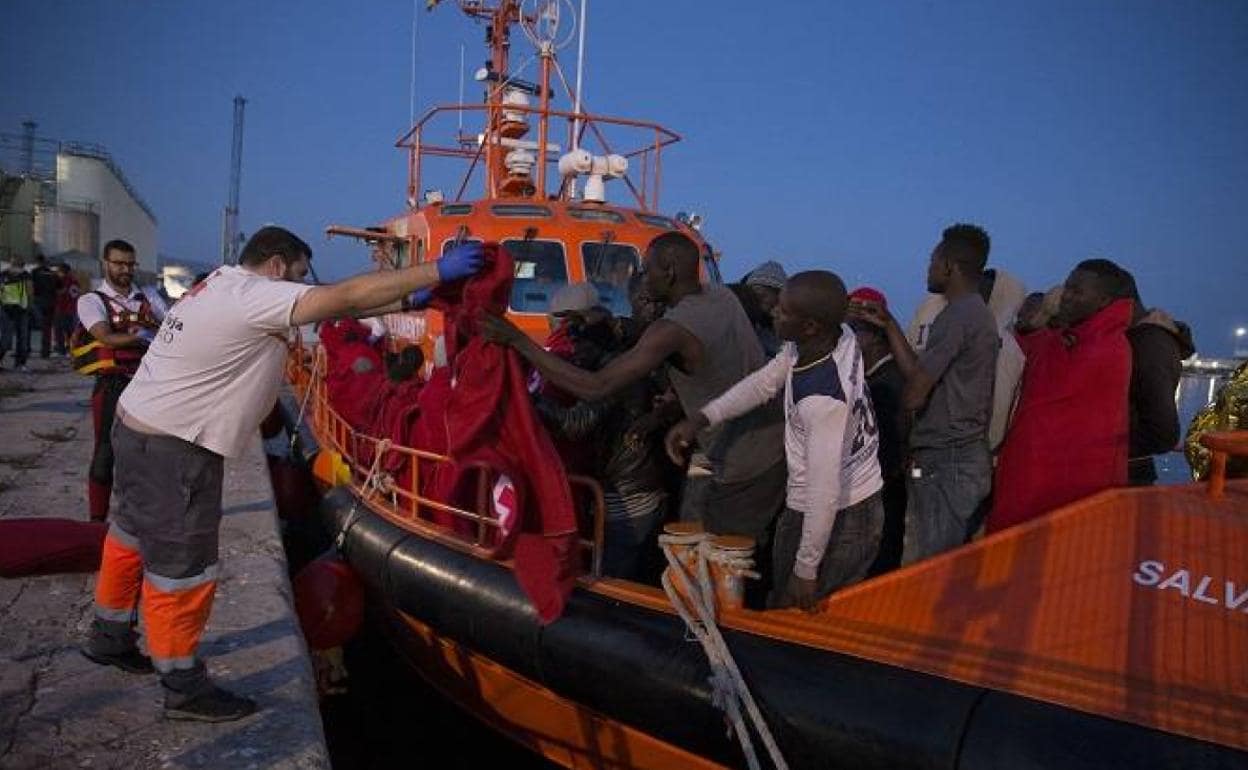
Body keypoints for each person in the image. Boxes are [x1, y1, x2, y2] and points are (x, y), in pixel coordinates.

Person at [83, 226, 483, 722]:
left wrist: (413, 297)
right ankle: (182, 683)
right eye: (296, 274)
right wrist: (437, 269)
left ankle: (109, 634)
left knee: (129, 535)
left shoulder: (223, 284)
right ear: (276, 265)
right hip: (177, 448)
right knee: (182, 567)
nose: (300, 285)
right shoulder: (255, 295)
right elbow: (345, 295)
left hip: (139, 427)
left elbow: (341, 307)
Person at [484, 232, 786, 548]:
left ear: (668, 271)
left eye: (647, 267)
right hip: (770, 445)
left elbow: (595, 387)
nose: (641, 274)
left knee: (720, 557)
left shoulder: (672, 329)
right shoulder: (720, 297)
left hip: (744, 465)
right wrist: (613, 325)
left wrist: (517, 340)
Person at [667, 271, 883, 610]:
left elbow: (824, 492)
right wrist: (703, 417)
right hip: (830, 503)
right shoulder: (838, 337)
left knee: (799, 612)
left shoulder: (824, 402)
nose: (773, 313)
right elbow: (765, 382)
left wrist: (806, 569)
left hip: (839, 513)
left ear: (810, 326)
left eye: (783, 311)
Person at [850, 223, 999, 564]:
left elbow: (915, 392)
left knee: (926, 566)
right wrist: (888, 324)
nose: (927, 269)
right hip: (954, 458)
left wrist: (894, 421)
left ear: (949, 266)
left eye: (932, 262)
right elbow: (922, 373)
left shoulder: (959, 316)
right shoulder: (972, 314)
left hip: (947, 461)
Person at [987, 260, 1134, 533]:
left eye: (1078, 291)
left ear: (1103, 300)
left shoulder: (1108, 348)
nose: (1066, 295)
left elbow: (1051, 407)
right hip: (1037, 475)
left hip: (1062, 483)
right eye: (1068, 286)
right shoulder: (1071, 338)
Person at [75, 240, 168, 522]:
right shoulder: (91, 301)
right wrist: (142, 334)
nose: (126, 269)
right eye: (119, 263)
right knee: (105, 452)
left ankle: (142, 518)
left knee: (150, 453)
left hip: (148, 385)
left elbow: (173, 327)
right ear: (106, 263)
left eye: (130, 264)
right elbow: (105, 336)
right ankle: (96, 522)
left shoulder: (150, 296)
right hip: (113, 385)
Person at [848, 287, 907, 575]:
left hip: (882, 491)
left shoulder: (890, 379)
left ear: (872, 334)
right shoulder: (868, 375)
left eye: (852, 329)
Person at [1119, 272, 1195, 485]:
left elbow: (1163, 434)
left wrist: (1094, 442)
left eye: (1077, 291)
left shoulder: (1150, 344)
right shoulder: (1141, 339)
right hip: (1126, 466)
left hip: (1129, 470)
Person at [741, 260, 786, 357]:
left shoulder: (787, 323)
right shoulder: (745, 320)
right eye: (752, 295)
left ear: (778, 295)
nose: (756, 300)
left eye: (762, 295)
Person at [0, 255, 34, 372]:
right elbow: (30, 292)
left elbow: (29, 292)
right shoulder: (24, 275)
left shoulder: (4, 274)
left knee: (10, 339)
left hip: (12, 311)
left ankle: (19, 364)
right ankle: (20, 364)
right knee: (19, 339)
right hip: (15, 311)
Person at [31, 253, 60, 359]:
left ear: (38, 262)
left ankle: (29, 349)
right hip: (51, 302)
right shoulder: (52, 273)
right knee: (47, 328)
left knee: (32, 327)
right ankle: (45, 352)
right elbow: (59, 288)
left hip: (38, 302)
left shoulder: (34, 272)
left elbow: (31, 287)